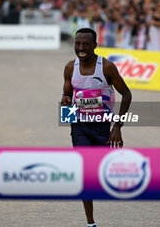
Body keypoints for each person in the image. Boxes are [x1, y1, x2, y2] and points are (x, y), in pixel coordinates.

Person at [61, 28, 132, 227]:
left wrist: (117, 126)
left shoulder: (107, 67)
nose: (81, 48)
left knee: (103, 173)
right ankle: (90, 223)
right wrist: (66, 107)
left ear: (94, 46)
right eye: (77, 44)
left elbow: (127, 95)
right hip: (80, 126)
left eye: (85, 44)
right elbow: (66, 95)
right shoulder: (69, 68)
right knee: (84, 172)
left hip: (103, 127)